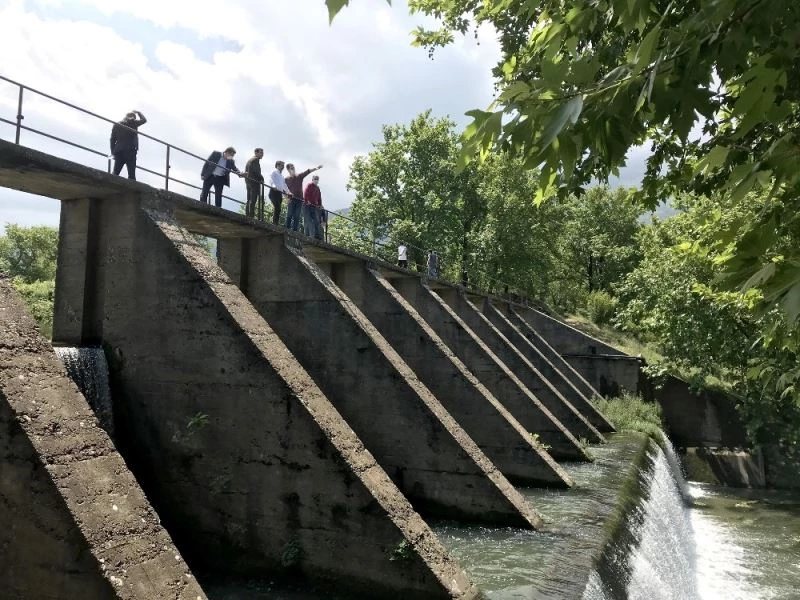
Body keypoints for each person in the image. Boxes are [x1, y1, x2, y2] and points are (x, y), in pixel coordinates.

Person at [109, 110, 147, 180]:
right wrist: (139, 112)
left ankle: (108, 184)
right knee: (131, 175)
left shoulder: (116, 124)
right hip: (130, 151)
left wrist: (113, 153)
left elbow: (112, 140)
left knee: (115, 172)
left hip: (119, 151)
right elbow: (144, 120)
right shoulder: (133, 122)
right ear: (133, 117)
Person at [285, 163, 322, 231]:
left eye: (293, 167)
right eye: (291, 168)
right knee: (289, 214)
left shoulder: (299, 176)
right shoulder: (286, 179)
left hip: (299, 200)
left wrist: (316, 168)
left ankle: (294, 231)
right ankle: (286, 229)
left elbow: (307, 171)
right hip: (291, 199)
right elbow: (283, 189)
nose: (293, 168)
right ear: (288, 170)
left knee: (297, 216)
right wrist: (286, 198)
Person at [268, 160, 290, 226]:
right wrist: (273, 186)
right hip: (273, 192)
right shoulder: (274, 172)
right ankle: (274, 223)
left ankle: (276, 223)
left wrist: (288, 192)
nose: (283, 166)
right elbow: (271, 179)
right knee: (277, 207)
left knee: (278, 209)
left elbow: (284, 185)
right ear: (277, 165)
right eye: (282, 165)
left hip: (279, 193)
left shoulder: (282, 176)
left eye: (283, 165)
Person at [244, 148, 264, 218]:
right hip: (253, 182)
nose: (262, 154)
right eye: (261, 153)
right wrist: (262, 178)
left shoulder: (250, 160)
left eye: (262, 153)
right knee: (253, 200)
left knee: (249, 199)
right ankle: (251, 217)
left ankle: (247, 215)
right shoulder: (255, 160)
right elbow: (256, 172)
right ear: (256, 153)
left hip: (248, 181)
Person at [303, 174, 323, 240]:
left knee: (316, 221)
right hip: (307, 206)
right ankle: (307, 235)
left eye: (317, 179)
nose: (316, 180)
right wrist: (307, 201)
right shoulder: (309, 185)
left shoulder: (317, 188)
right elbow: (305, 193)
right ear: (312, 179)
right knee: (308, 221)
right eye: (315, 179)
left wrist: (320, 205)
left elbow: (319, 198)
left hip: (314, 207)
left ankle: (317, 236)